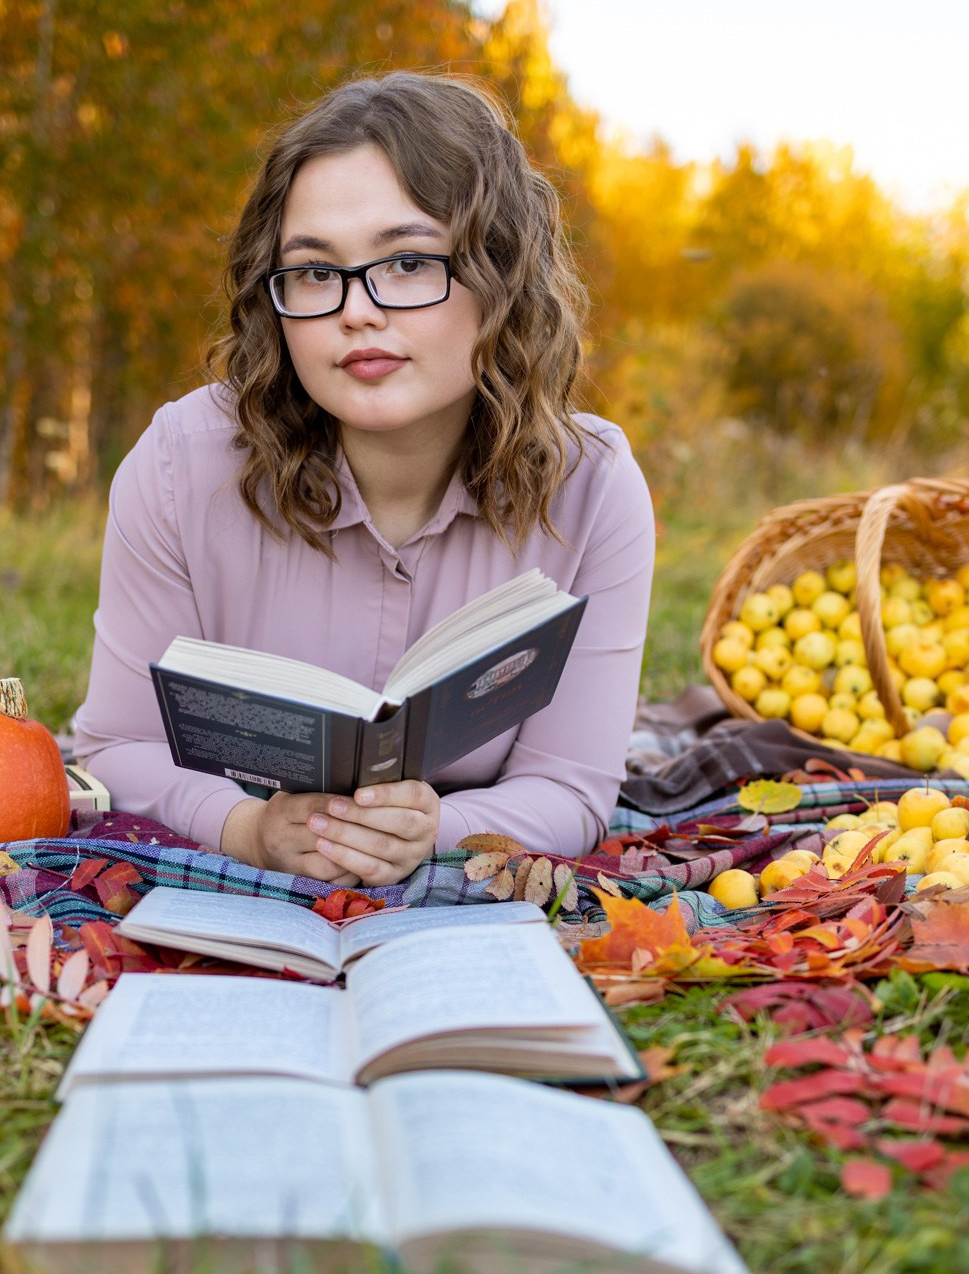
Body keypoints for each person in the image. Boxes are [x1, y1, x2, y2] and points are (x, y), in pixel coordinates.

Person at [73, 70, 656, 885]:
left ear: (501, 278)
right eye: (315, 272)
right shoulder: (180, 464)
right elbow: (114, 751)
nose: (356, 310)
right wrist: (248, 830)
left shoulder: (592, 487)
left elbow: (573, 787)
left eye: (408, 262)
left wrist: (439, 829)